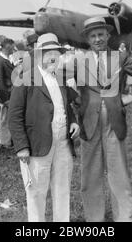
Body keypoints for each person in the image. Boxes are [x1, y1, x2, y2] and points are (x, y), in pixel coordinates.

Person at [74, 17, 132, 222]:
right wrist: (76, 102)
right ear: (88, 39)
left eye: (101, 34)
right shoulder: (78, 60)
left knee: (119, 175)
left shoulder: (121, 57)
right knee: (90, 176)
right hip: (88, 123)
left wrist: (130, 97)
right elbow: (61, 84)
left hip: (114, 124)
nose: (98, 39)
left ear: (108, 35)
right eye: (93, 36)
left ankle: (125, 218)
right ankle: (94, 220)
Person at [9, 33, 80, 222]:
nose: (52, 57)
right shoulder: (25, 78)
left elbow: (65, 106)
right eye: (46, 52)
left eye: (55, 52)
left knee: (62, 189)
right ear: (38, 55)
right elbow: (14, 116)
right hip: (36, 146)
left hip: (63, 144)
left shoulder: (61, 78)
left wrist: (73, 121)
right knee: (36, 193)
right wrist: (22, 146)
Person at [0, 38, 15, 149]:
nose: (14, 49)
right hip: (5, 96)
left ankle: (7, 140)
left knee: (7, 118)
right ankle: (5, 142)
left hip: (10, 95)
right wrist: (5, 99)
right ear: (8, 46)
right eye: (12, 46)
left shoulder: (5, 60)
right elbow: (0, 83)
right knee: (5, 119)